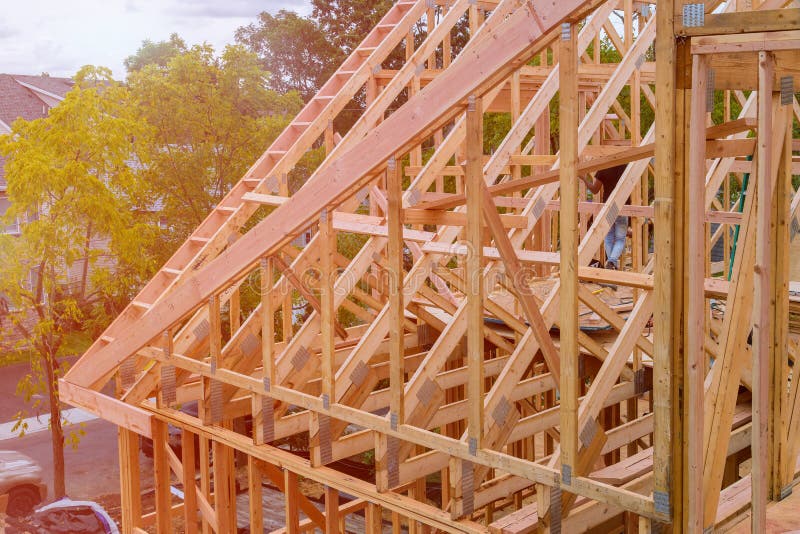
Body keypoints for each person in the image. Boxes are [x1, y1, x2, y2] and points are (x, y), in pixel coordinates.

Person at [581, 164, 628, 270]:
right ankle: (611, 262)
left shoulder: (604, 167)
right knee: (620, 239)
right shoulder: (626, 166)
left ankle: (611, 264)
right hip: (622, 206)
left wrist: (584, 178)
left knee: (609, 237)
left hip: (609, 206)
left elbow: (594, 190)